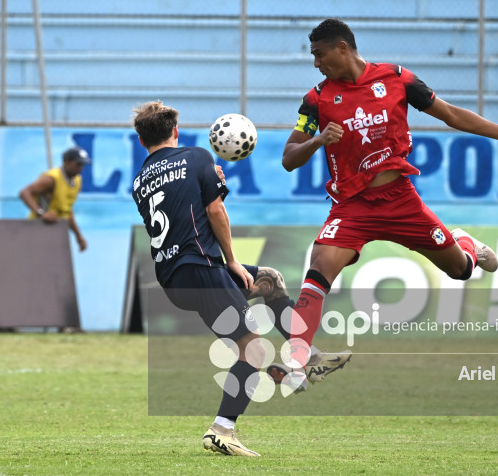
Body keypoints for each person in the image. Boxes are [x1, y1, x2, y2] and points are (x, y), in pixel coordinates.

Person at [273, 18, 498, 378]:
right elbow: (288, 159)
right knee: (319, 265)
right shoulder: (317, 99)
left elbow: (451, 115)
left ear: (342, 47)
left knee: (460, 270)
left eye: (319, 54)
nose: (316, 63)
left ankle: (467, 244)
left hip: (401, 201)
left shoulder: (397, 79)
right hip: (353, 206)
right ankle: (298, 361)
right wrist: (317, 140)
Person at [130, 101, 350, 458]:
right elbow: (214, 210)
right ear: (175, 132)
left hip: (173, 277)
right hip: (201, 267)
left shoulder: (140, 181)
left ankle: (307, 356)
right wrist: (231, 260)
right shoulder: (196, 156)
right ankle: (222, 430)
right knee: (254, 348)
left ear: (141, 141)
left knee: (270, 281)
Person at [19, 146, 90, 252]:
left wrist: (78, 236)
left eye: (83, 165)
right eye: (78, 164)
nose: (80, 168)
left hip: (56, 231)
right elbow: (24, 193)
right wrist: (41, 213)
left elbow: (67, 210)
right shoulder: (52, 179)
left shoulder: (77, 181)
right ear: (66, 161)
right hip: (38, 228)